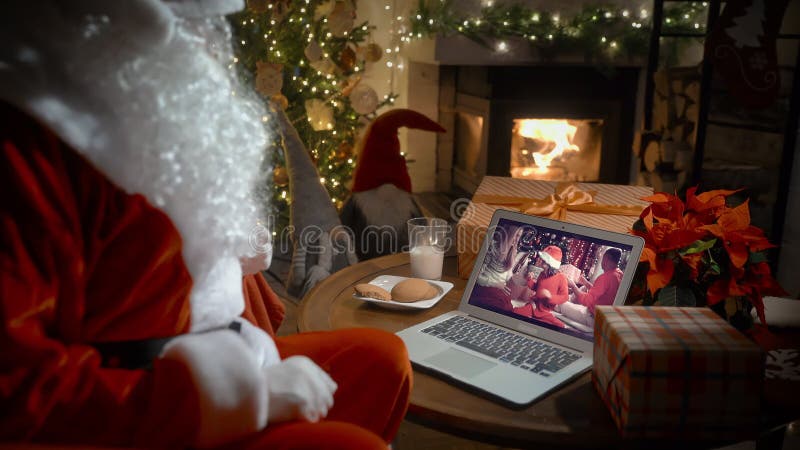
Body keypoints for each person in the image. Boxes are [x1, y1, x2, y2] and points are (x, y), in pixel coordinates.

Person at [0, 1, 410, 448]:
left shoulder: (135, 108)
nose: (209, 44)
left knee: (383, 360)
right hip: (140, 404)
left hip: (214, 349)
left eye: (210, 23)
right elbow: (20, 389)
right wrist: (241, 397)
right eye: (187, 24)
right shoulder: (31, 145)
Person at [561, 248, 624, 328]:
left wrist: (573, 285)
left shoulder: (606, 277)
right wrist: (585, 283)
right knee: (583, 288)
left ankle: (566, 299)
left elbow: (586, 301)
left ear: (606, 259)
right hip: (603, 317)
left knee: (561, 305)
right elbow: (601, 292)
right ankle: (569, 299)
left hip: (593, 318)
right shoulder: (619, 274)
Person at [470, 224, 525, 313]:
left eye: (519, 236)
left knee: (508, 307)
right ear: (509, 234)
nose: (517, 240)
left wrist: (521, 275)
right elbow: (476, 277)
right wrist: (496, 284)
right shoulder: (492, 247)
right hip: (485, 286)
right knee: (502, 307)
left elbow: (507, 277)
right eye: (516, 235)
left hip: (499, 289)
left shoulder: (513, 252)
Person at [513, 246, 569, 328]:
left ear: (550, 264)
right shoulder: (542, 274)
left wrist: (550, 296)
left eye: (543, 260)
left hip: (546, 311)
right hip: (534, 306)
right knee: (515, 312)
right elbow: (536, 288)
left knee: (560, 326)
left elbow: (565, 297)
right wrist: (529, 279)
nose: (540, 260)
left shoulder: (561, 278)